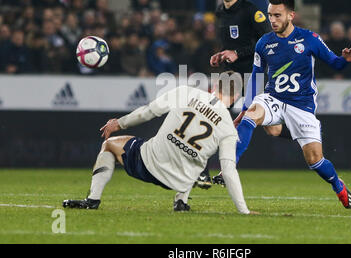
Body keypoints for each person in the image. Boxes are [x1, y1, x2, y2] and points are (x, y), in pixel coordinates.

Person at [233, 0, 351, 209]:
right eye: (269, 15)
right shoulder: (264, 43)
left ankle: (338, 185)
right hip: (272, 98)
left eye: (277, 15)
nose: (272, 20)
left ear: (291, 15)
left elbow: (336, 64)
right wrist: (245, 109)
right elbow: (255, 77)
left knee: (315, 161)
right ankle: (230, 166)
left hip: (301, 106)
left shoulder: (310, 38)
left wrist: (346, 60)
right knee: (251, 117)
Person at [63, 72, 256, 214]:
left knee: (110, 145)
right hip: (182, 179)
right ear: (237, 96)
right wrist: (244, 211)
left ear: (214, 85)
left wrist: (119, 123)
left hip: (149, 164)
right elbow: (229, 171)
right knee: (199, 154)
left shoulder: (186, 92)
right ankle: (181, 202)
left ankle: (92, 199)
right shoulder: (229, 129)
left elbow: (149, 111)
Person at [199, 0, 291, 189]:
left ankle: (303, 130)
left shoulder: (252, 12)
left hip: (256, 73)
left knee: (274, 129)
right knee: (212, 110)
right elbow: (230, 45)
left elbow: (269, 41)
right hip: (233, 74)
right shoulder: (220, 12)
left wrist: (237, 53)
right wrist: (221, 54)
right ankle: (201, 168)